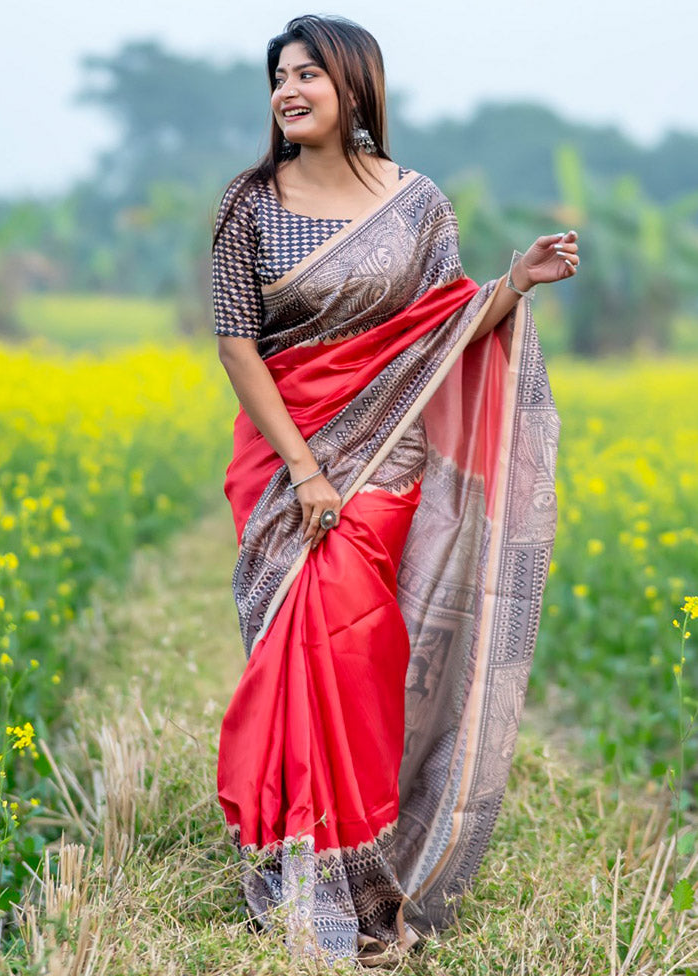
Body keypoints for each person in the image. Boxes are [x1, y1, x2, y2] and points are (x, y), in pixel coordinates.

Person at [212, 13, 578, 966]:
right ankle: (295, 872)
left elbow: (443, 326)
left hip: (383, 466)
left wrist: (516, 281)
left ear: (355, 87)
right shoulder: (248, 203)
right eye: (278, 78)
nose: (288, 92)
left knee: (356, 657)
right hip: (289, 464)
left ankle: (363, 873)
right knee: (290, 656)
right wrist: (301, 467)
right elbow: (237, 345)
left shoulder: (415, 204)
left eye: (307, 77)